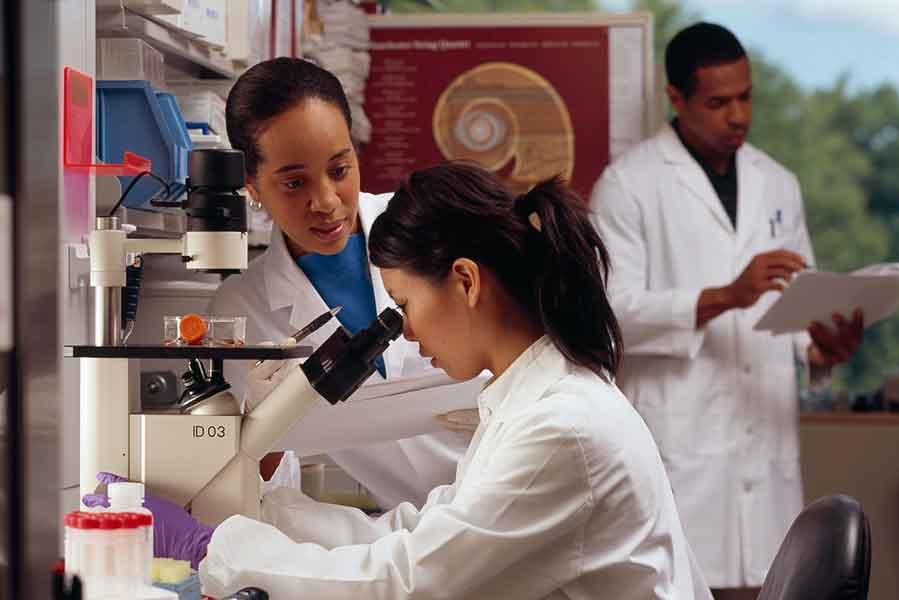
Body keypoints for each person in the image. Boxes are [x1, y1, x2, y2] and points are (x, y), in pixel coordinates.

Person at [88, 161, 713, 598]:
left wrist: (210, 548)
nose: (406, 332)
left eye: (406, 305)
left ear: (466, 282)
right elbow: (414, 533)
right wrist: (262, 514)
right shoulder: (535, 399)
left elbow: (409, 583)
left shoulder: (561, 429)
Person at [589, 23, 863, 600]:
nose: (738, 115)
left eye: (746, 97)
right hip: (682, 454)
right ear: (676, 98)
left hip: (764, 458)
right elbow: (609, 315)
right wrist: (724, 296)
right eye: (718, 102)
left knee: (775, 585)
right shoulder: (629, 185)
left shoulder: (779, 184)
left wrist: (822, 348)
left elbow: (796, 316)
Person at [208, 57, 476, 509]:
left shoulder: (430, 226)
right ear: (252, 187)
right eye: (294, 183)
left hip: (514, 476)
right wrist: (263, 426)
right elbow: (268, 487)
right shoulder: (242, 308)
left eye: (339, 170)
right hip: (419, 526)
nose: (327, 202)